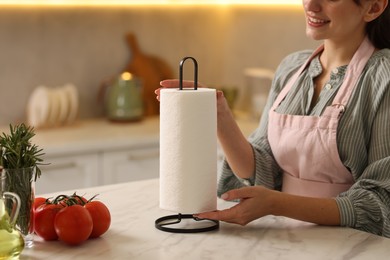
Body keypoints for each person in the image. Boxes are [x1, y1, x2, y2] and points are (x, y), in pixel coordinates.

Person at [155, 0, 390, 237]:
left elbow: (382, 199)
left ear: (374, 7)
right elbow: (265, 170)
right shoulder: (292, 68)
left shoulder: (384, 76)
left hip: (352, 243)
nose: (310, 4)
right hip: (282, 237)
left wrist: (276, 204)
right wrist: (218, 112)